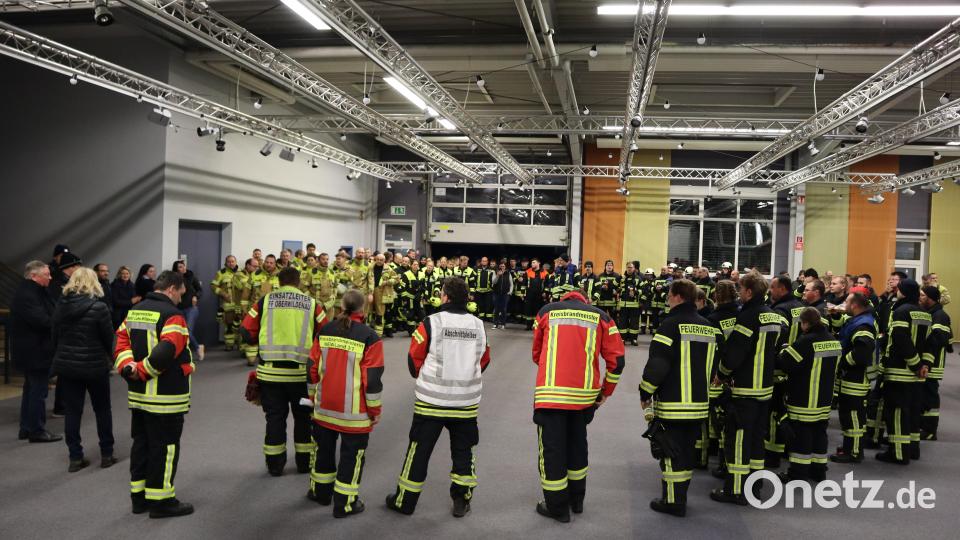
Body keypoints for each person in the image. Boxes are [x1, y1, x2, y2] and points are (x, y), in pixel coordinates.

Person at [386, 277, 491, 517]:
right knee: (464, 452)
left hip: (431, 402)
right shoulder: (478, 325)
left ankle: (405, 502)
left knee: (418, 452)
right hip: (465, 403)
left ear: (445, 297)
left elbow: (414, 358)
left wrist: (424, 376)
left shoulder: (431, 322)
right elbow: (484, 360)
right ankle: (462, 500)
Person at [531, 288, 625, 522]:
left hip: (551, 395)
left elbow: (536, 353)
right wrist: (605, 392)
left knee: (552, 451)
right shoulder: (602, 317)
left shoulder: (545, 312)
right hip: (584, 398)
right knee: (577, 447)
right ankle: (576, 501)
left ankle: (557, 508)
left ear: (563, 299)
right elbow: (618, 361)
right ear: (586, 299)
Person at [114, 270, 195, 518]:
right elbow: (168, 349)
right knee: (165, 447)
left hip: (138, 396)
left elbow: (121, 343)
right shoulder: (174, 315)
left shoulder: (135, 311)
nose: (181, 298)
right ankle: (161, 502)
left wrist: (129, 368)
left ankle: (139, 499)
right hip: (165, 397)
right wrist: (143, 371)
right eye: (181, 292)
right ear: (172, 288)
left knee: (142, 444)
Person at [640, 279, 720, 517]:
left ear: (676, 296)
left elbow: (658, 364)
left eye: (669, 294)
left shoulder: (669, 325)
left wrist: (646, 391)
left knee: (670, 452)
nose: (667, 298)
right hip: (699, 404)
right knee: (686, 452)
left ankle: (673, 502)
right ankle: (680, 497)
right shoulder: (708, 327)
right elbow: (714, 364)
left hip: (674, 404)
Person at [241, 267, 326, 476]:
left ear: (278, 282)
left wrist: (259, 341)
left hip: (270, 375)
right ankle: (304, 463)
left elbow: (245, 331)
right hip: (301, 376)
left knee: (275, 418)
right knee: (303, 418)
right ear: (299, 283)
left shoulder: (265, 302)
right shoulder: (312, 303)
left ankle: (275, 465)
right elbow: (325, 333)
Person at [307, 290, 384, 518]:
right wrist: (375, 411)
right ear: (363, 309)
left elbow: (312, 369)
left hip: (324, 409)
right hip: (355, 415)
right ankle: (345, 504)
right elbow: (372, 381)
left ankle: (320, 493)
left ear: (341, 306)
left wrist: (313, 399)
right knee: (351, 458)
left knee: (323, 452)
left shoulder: (325, 330)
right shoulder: (370, 337)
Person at [711, 272, 780, 505]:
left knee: (738, 440)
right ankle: (755, 485)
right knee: (756, 440)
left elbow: (735, 353)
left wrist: (721, 374)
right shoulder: (772, 316)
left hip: (745, 389)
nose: (739, 293)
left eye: (741, 289)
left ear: (749, 292)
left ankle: (736, 490)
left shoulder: (748, 317)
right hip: (765, 389)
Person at [51, 267, 116, 472]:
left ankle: (75, 457)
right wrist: (114, 359)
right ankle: (106, 453)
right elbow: (108, 338)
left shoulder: (60, 306)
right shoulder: (99, 308)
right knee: (102, 410)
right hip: (95, 366)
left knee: (72, 412)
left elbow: (54, 336)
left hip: (68, 367)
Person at [776, 307, 841, 482]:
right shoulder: (833, 340)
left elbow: (785, 363)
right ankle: (818, 471)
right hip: (824, 399)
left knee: (801, 438)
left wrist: (783, 349)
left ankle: (798, 474)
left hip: (804, 398)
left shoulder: (805, 341)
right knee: (820, 435)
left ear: (805, 323)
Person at [876, 278, 929, 465]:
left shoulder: (901, 311)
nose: (895, 291)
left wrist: (914, 364)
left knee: (897, 413)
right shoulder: (924, 313)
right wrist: (922, 366)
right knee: (913, 411)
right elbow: (928, 343)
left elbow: (901, 339)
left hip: (900, 371)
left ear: (903, 292)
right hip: (917, 374)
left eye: (898, 289)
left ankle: (898, 453)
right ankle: (912, 449)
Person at [12, 261, 62, 443]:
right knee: (38, 391)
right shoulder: (28, 294)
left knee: (31, 389)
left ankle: (26, 427)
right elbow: (42, 320)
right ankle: (36, 430)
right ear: (34, 276)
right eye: (46, 275)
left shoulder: (33, 291)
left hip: (34, 349)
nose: (50, 277)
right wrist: (59, 322)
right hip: (35, 350)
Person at [830, 291, 876, 463]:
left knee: (854, 417)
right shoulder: (857, 320)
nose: (844, 305)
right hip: (850, 378)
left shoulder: (863, 325)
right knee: (847, 416)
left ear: (855, 305)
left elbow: (862, 353)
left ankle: (855, 452)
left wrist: (841, 362)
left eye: (847, 302)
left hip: (855, 379)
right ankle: (849, 447)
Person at [919, 286, 952, 440]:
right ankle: (924, 426)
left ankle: (930, 430)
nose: (919, 297)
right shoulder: (931, 313)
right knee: (924, 395)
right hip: (928, 361)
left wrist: (927, 360)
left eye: (922, 295)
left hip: (933, 363)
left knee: (930, 395)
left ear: (931, 298)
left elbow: (938, 339)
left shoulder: (940, 316)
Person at [172, 260, 203, 360]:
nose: (183, 268)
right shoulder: (174, 279)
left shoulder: (191, 276)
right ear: (176, 270)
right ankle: (192, 349)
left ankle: (198, 348)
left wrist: (195, 297)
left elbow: (199, 290)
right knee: (181, 332)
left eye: (183, 266)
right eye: (180, 267)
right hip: (178, 308)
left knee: (188, 331)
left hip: (191, 308)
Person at [211, 255, 239, 351]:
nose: (231, 263)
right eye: (229, 261)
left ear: (236, 262)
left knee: (240, 324)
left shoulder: (241, 273)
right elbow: (213, 286)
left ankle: (240, 344)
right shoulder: (221, 273)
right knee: (229, 325)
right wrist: (223, 294)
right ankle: (229, 345)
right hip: (228, 305)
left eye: (233, 261)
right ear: (226, 263)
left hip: (240, 305)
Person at [524, 259, 548, 331]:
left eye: (534, 262)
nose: (532, 264)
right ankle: (528, 325)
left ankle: (536, 326)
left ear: (539, 263)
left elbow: (547, 285)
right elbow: (524, 284)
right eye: (531, 263)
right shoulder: (528, 271)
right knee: (528, 310)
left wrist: (545, 293)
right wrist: (523, 293)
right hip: (529, 294)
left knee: (537, 310)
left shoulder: (544, 273)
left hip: (539, 294)